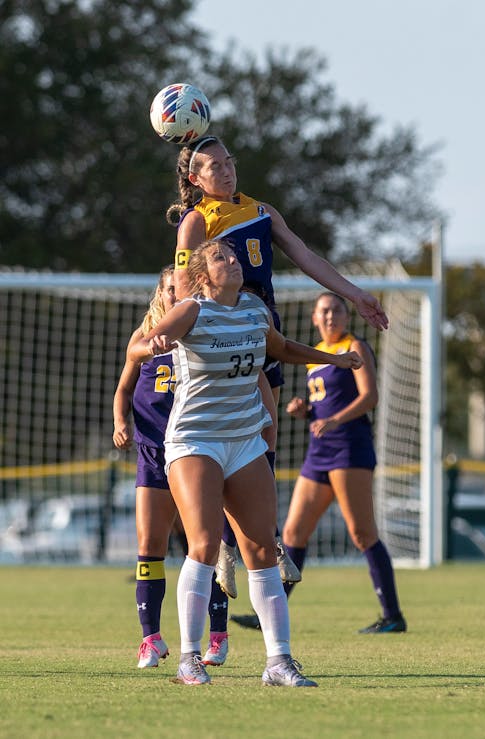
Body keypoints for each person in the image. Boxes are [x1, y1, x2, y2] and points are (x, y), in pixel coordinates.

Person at [128, 240, 363, 686]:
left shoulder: (255, 308)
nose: (233, 261)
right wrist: (155, 341)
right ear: (202, 275)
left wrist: (333, 359)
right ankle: (189, 659)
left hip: (244, 439)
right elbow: (148, 341)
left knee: (260, 551)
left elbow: (282, 348)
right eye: (220, 258)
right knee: (203, 544)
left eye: (234, 256)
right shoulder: (192, 310)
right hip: (195, 439)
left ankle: (279, 662)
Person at [166, 134, 388, 598]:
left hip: (261, 330)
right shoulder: (195, 222)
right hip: (221, 339)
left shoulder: (262, 211)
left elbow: (307, 257)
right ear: (195, 178)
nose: (226, 171)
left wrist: (356, 295)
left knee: (264, 433)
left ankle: (249, 539)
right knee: (231, 435)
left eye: (229, 162)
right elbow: (186, 291)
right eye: (214, 166)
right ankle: (227, 542)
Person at [233, 292, 406, 633]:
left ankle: (392, 616)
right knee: (293, 531)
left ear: (346, 316)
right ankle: (269, 612)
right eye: (324, 312)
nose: (330, 317)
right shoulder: (314, 355)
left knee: (362, 533)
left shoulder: (354, 347)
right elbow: (322, 408)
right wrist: (306, 412)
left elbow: (369, 396)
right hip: (319, 452)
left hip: (349, 450)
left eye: (337, 311)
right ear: (314, 318)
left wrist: (334, 420)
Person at [112, 266, 230, 669]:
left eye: (181, 292)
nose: (174, 298)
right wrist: (121, 421)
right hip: (151, 453)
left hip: (194, 451)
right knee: (148, 547)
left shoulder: (200, 333)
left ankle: (217, 636)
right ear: (159, 295)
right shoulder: (142, 338)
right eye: (169, 291)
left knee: (201, 547)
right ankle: (151, 639)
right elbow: (124, 389)